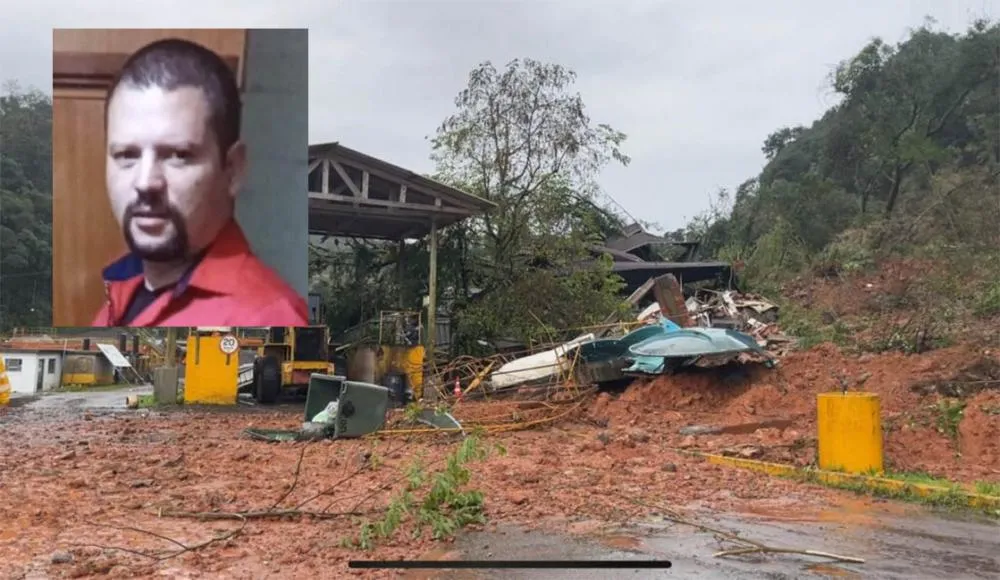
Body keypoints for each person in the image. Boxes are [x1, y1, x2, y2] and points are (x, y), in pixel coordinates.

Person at [92, 38, 308, 327]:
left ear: (232, 169)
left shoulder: (269, 320)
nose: (145, 182)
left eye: (179, 155)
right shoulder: (119, 292)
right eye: (126, 155)